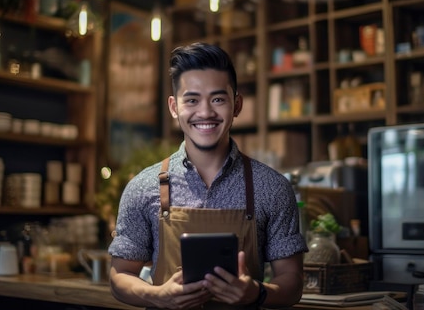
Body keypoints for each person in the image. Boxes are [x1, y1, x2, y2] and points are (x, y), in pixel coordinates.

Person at [108, 42, 308, 309]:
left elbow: (292, 281)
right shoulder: (143, 187)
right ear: (174, 107)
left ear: (236, 105)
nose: (205, 112)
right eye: (192, 100)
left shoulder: (272, 188)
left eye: (218, 99)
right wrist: (159, 296)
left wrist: (256, 293)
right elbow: (120, 275)